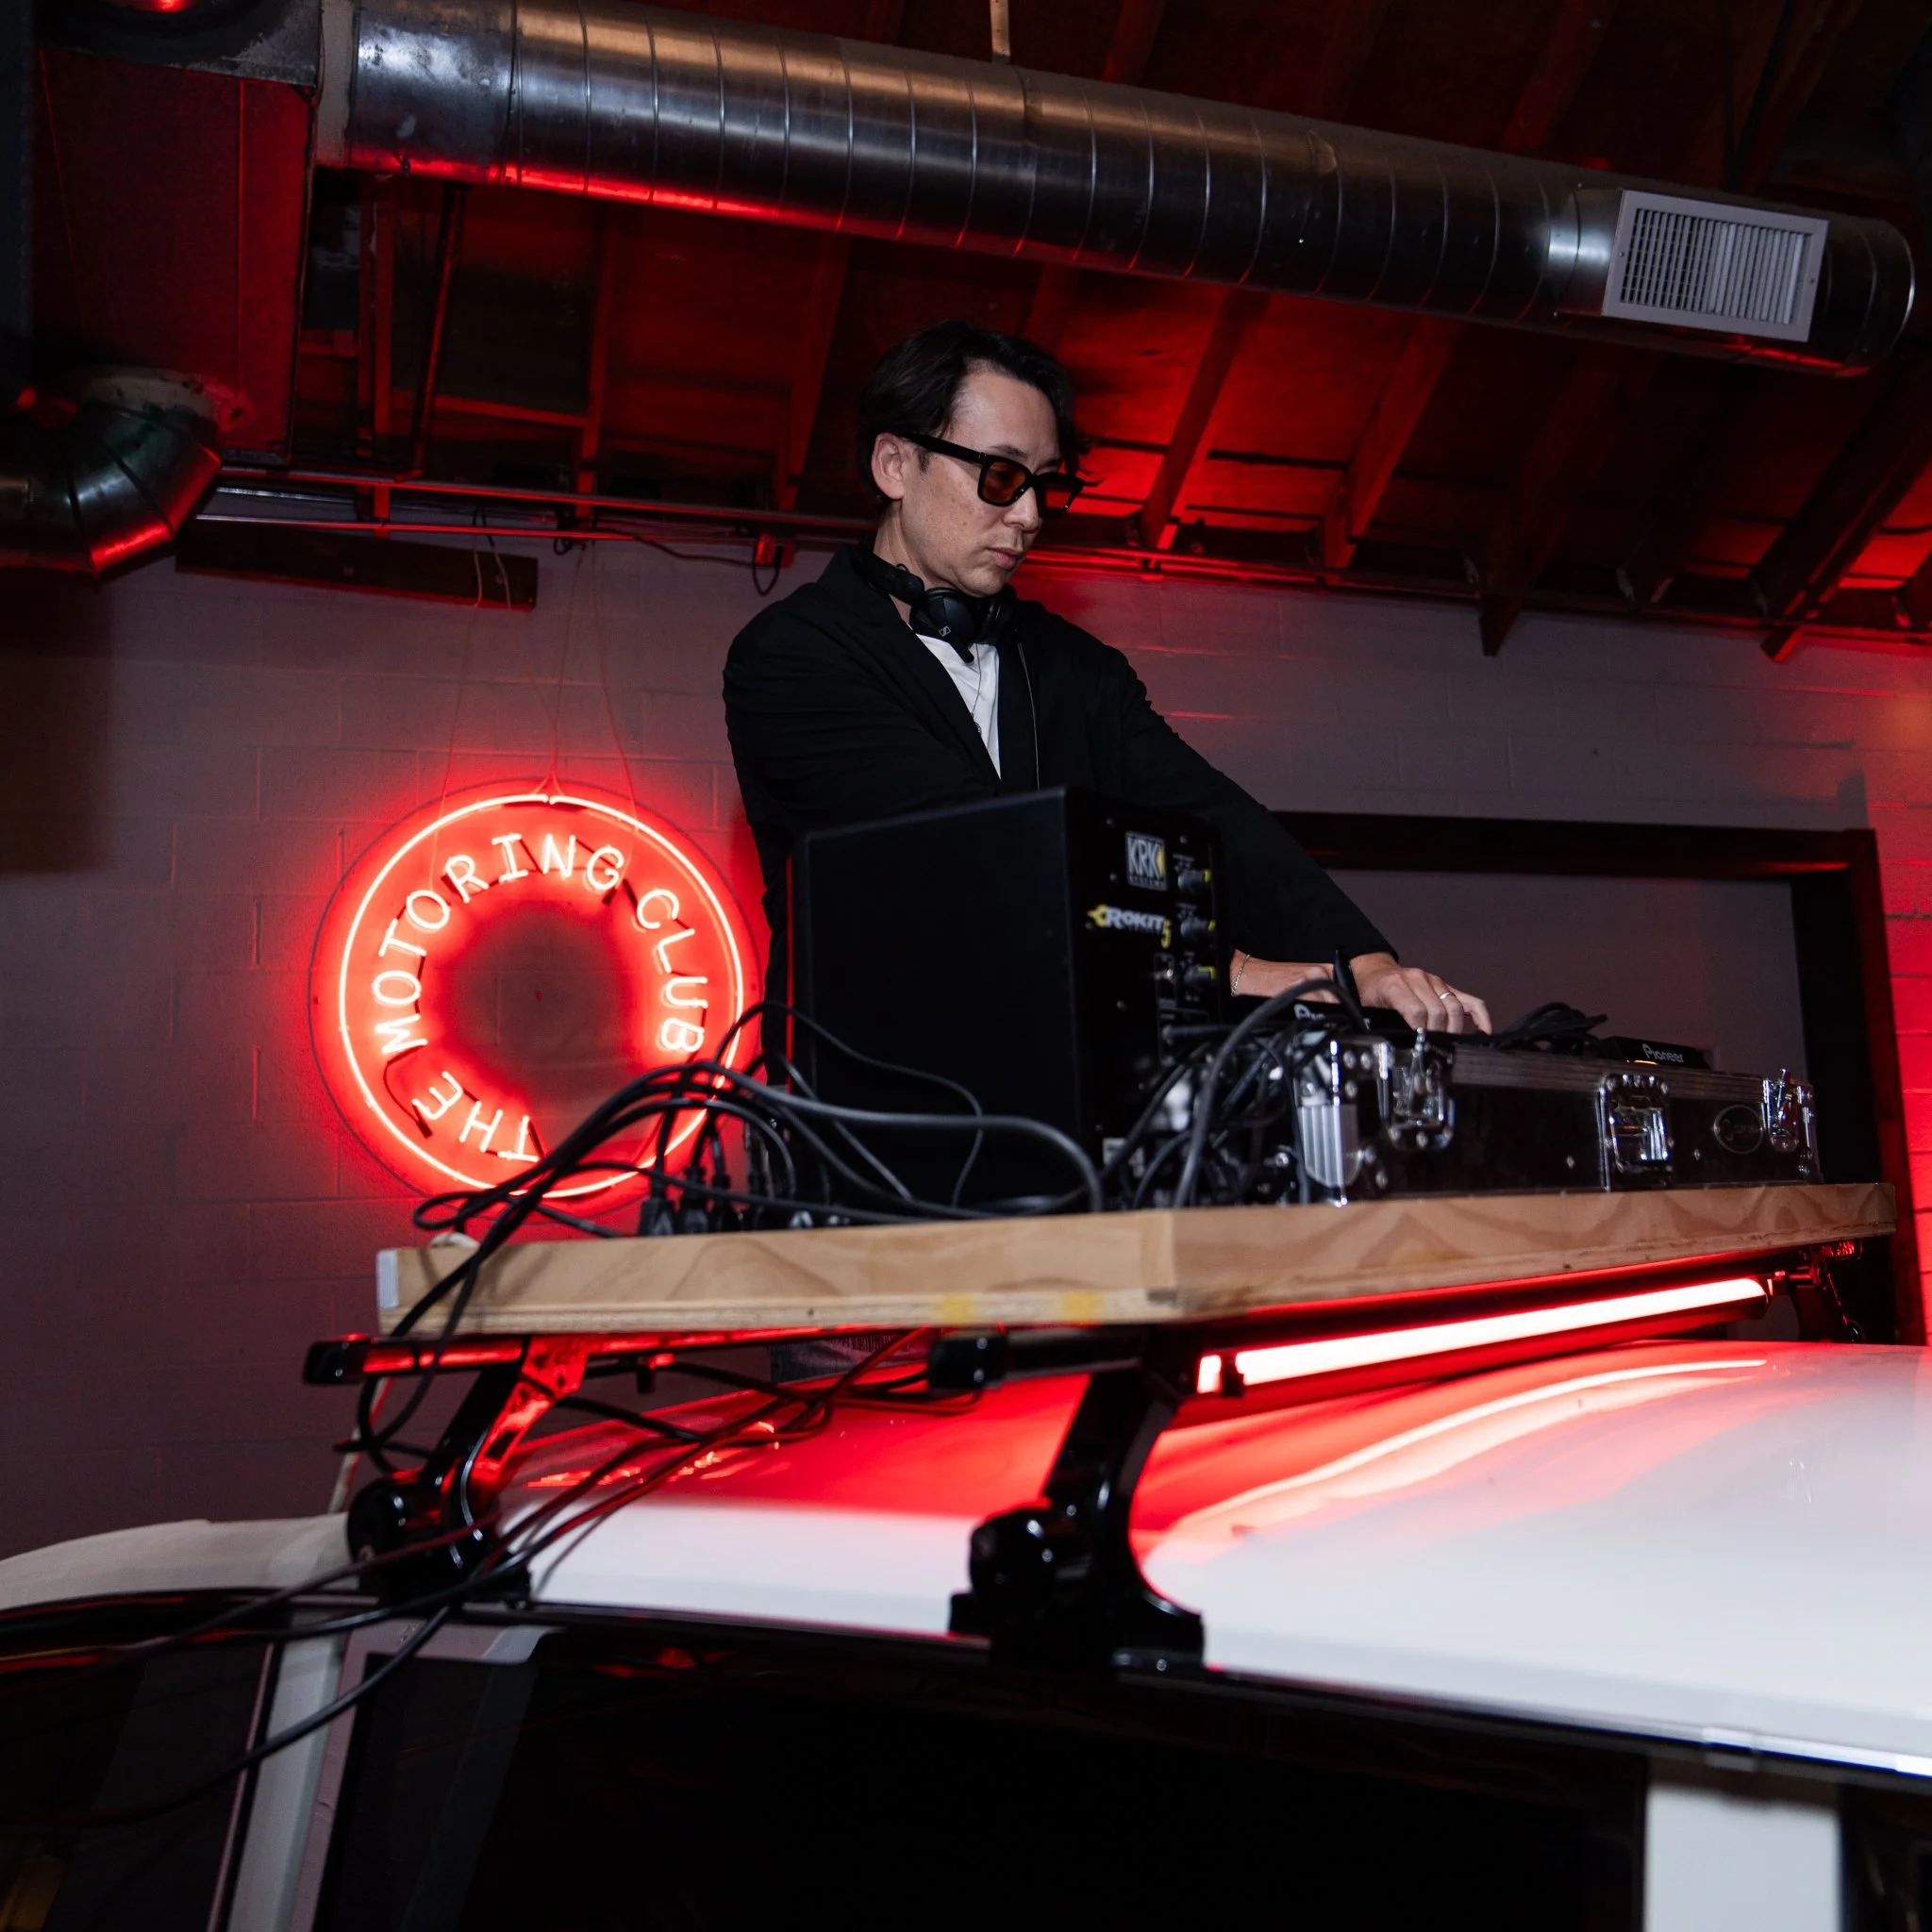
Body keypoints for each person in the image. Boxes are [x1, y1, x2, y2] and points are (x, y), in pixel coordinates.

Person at [724, 320, 1491, 1036]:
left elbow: (1217, 820)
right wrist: (1232, 972)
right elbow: (971, 860)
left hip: (1053, 1099)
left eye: (1044, 485)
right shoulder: (792, 657)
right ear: (895, 464)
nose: (1029, 515)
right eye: (1000, 476)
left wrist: (1365, 965)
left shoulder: (1076, 668)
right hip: (872, 1106)